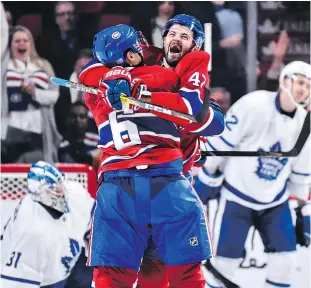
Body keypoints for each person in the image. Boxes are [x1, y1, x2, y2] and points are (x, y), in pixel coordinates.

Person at [79, 19, 224, 287]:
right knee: (175, 274)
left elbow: (87, 73)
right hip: (167, 180)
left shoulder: (107, 82)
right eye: (172, 33)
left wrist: (124, 85)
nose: (176, 39)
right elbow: (200, 114)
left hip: (118, 181)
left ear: (194, 44)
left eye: (184, 35)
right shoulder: (163, 74)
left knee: (117, 276)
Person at [197, 61, 311, 288]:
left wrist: (304, 210)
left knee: (285, 262)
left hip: (274, 202)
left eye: (308, 86)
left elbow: (300, 174)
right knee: (223, 267)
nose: (303, 89)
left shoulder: (305, 124)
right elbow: (222, 144)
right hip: (236, 198)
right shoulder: (254, 103)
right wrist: (208, 176)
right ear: (284, 80)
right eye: (299, 82)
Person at [1, 161, 94, 288]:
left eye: (61, 184)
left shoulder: (74, 193)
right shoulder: (30, 231)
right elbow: (15, 283)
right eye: (54, 190)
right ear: (39, 193)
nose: (62, 193)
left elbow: (98, 226)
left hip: (70, 264)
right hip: (46, 281)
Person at [1, 25, 61, 164]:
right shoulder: (4, 67)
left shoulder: (43, 65)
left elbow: (54, 94)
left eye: (25, 40)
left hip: (37, 128)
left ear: (31, 44)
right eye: (17, 41)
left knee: (35, 167)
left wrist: (35, 93)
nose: (21, 43)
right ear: (10, 44)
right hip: (10, 127)